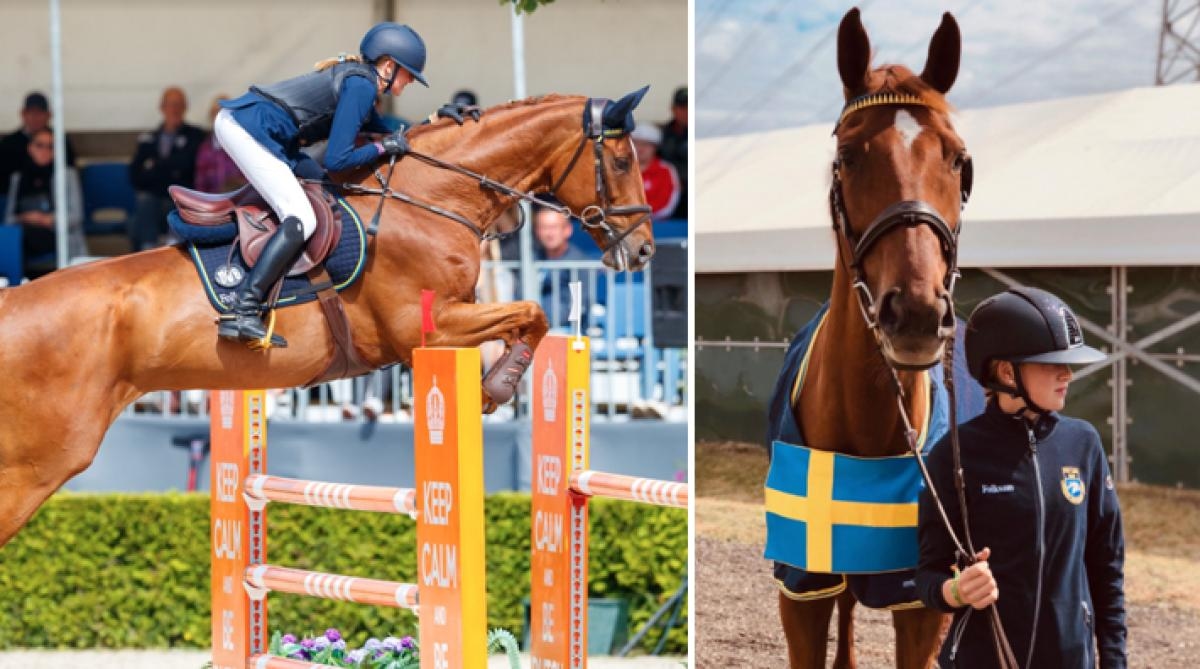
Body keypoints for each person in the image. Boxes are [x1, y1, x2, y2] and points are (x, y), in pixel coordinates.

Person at [213, 22, 473, 348]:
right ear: (388, 66)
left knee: (327, 193)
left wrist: (435, 121)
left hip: (273, 136)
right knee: (302, 218)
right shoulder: (362, 87)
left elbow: (391, 133)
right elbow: (339, 159)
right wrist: (383, 149)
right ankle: (243, 308)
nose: (409, 83)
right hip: (248, 128)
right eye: (407, 75)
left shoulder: (361, 82)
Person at [915, 287, 1126, 668]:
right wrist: (956, 591)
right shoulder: (954, 454)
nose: (1068, 374)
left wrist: (1114, 660)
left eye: (1069, 362)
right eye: (1051, 363)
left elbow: (1106, 567)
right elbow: (927, 577)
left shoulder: (1084, 444)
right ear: (1006, 371)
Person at [128, 87, 206, 251]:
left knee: (153, 206)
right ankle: (147, 250)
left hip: (181, 200)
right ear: (162, 108)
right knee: (145, 203)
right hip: (154, 199)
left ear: (185, 108)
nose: (174, 109)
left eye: (178, 105)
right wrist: (169, 168)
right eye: (170, 105)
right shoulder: (148, 138)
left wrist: (154, 167)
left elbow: (187, 167)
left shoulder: (195, 135)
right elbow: (134, 176)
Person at [3, 127, 86, 277]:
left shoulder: (67, 176)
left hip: (55, 233)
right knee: (12, 237)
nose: (45, 150)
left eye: (51, 147)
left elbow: (76, 216)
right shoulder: (19, 178)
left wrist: (46, 219)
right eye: (39, 145)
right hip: (24, 234)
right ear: (30, 148)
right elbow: (8, 219)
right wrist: (25, 218)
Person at [533, 201, 591, 329]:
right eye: (544, 227)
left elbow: (579, 305)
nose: (549, 233)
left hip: (567, 332)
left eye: (554, 227)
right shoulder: (532, 259)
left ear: (567, 230)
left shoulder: (578, 262)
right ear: (537, 231)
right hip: (533, 330)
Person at [0, 92, 77, 188]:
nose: (35, 118)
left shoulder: (59, 140)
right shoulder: (10, 142)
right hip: (18, 197)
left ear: (49, 115)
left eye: (40, 113)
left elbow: (69, 171)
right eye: (31, 113)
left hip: (54, 194)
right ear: (23, 114)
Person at [194, 95, 246, 193]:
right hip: (212, 202)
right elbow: (200, 182)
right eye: (216, 113)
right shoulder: (205, 148)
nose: (219, 118)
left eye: (224, 113)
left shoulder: (242, 145)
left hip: (238, 200)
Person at [630, 124, 681, 221]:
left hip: (658, 225)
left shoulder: (665, 169)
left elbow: (668, 203)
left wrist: (641, 217)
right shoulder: (618, 169)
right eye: (636, 143)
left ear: (655, 148)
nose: (640, 148)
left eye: (646, 144)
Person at [657, 86, 687, 219]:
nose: (686, 112)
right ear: (673, 109)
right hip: (668, 195)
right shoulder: (661, 135)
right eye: (682, 108)